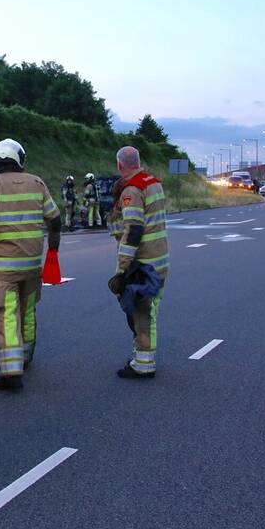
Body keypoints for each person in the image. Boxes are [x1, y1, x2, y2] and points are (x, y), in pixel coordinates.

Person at [0, 139, 61, 391]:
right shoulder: (37, 182)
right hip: (32, 264)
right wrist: (53, 248)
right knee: (28, 310)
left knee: (7, 314)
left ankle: (11, 372)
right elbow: (55, 219)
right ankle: (26, 355)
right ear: (19, 158)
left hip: (5, 267)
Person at [106, 146, 169, 379]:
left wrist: (123, 266)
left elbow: (133, 229)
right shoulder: (153, 182)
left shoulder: (131, 190)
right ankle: (142, 357)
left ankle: (143, 364)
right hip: (160, 260)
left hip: (143, 263)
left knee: (142, 314)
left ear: (120, 165)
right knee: (151, 310)